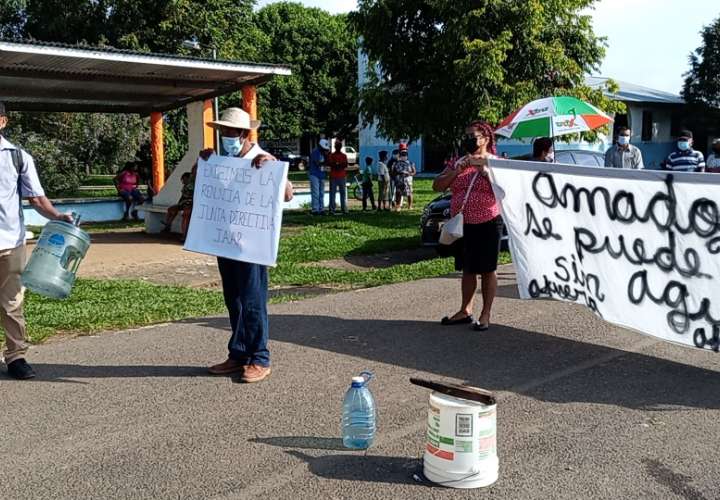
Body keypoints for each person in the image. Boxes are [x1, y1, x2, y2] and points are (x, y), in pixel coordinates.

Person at [200, 107, 293, 383]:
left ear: (243, 133)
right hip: (227, 242)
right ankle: (239, 354)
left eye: (230, 132)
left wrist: (273, 170)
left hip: (253, 244)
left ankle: (260, 358)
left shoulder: (260, 157)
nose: (225, 136)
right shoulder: (223, 160)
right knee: (234, 299)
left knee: (253, 300)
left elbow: (287, 194)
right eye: (222, 132)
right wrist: (205, 166)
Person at [0, 101, 73, 379]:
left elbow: (36, 198)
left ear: (3, 122)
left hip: (11, 242)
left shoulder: (18, 157)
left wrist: (56, 216)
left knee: (12, 302)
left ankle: (16, 357)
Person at [432, 120, 502, 332]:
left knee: (488, 269)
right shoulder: (459, 161)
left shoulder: (496, 162)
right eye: (467, 136)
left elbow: (506, 191)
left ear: (486, 139)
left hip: (488, 221)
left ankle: (485, 313)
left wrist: (485, 172)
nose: (469, 140)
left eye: (473, 136)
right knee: (468, 269)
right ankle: (465, 310)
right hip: (463, 224)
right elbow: (437, 185)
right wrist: (457, 170)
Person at [162, 170, 194, 240]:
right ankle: (168, 225)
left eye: (184, 179)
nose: (183, 181)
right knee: (171, 210)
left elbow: (189, 197)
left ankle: (184, 236)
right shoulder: (186, 185)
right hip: (183, 203)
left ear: (188, 178)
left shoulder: (191, 185)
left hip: (189, 204)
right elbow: (182, 197)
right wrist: (179, 204)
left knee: (185, 217)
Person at [308, 139, 330, 215]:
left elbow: (326, 164)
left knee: (321, 193)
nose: (325, 150)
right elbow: (318, 163)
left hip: (322, 174)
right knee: (316, 193)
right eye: (324, 149)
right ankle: (315, 209)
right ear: (320, 146)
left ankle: (321, 209)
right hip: (314, 174)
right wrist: (326, 158)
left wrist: (326, 157)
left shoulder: (323, 153)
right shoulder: (315, 152)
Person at [327, 140, 348, 214]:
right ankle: (333, 210)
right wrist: (339, 165)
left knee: (340, 194)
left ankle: (342, 209)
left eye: (339, 146)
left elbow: (345, 164)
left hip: (339, 176)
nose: (338, 147)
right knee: (334, 194)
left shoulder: (343, 155)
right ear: (335, 147)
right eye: (337, 146)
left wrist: (336, 164)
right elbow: (331, 164)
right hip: (336, 176)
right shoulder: (332, 155)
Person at [393, 145, 416, 210]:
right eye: (402, 154)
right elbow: (394, 171)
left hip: (408, 180)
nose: (404, 156)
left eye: (405, 154)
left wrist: (408, 174)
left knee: (409, 193)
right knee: (398, 193)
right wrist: (400, 173)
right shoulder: (397, 163)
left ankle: (410, 206)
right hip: (399, 180)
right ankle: (398, 206)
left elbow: (414, 172)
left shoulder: (411, 163)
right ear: (400, 155)